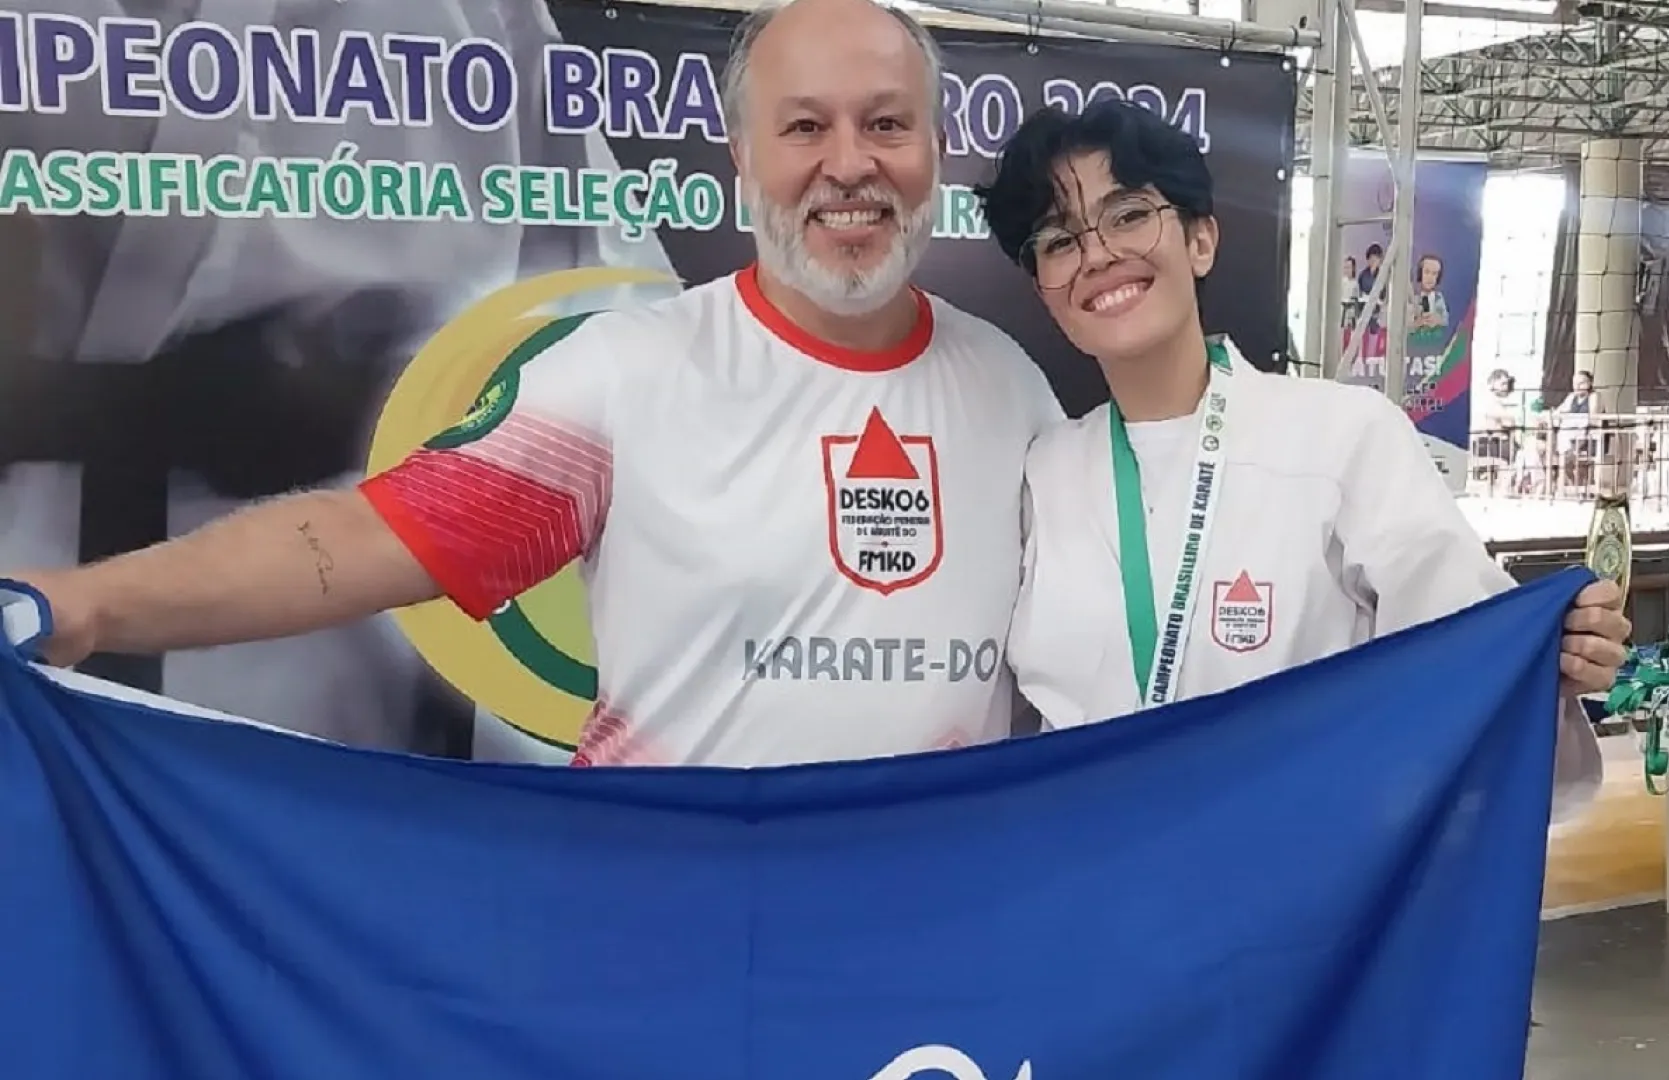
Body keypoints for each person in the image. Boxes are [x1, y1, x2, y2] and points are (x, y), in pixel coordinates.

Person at [6, 0, 1062, 768]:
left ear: (936, 149)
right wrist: (84, 603)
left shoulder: (1012, 391)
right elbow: (368, 541)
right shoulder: (626, 373)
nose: (850, 163)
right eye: (804, 127)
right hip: (675, 919)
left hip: (933, 938)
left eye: (887, 124)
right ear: (743, 156)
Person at [0, 0, 681, 756]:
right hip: (29, 642)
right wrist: (115, 407)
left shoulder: (470, 18)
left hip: (359, 684)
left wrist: (422, 400)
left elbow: (630, 368)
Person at [975, 101, 1627, 817]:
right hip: (1092, 866)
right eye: (1059, 240)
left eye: (1127, 214)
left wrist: (1554, 656)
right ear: (1044, 288)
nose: (1097, 254)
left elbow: (1466, 651)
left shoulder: (1343, 437)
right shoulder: (1045, 476)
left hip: (1298, 867)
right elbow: (1013, 732)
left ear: (1200, 240)